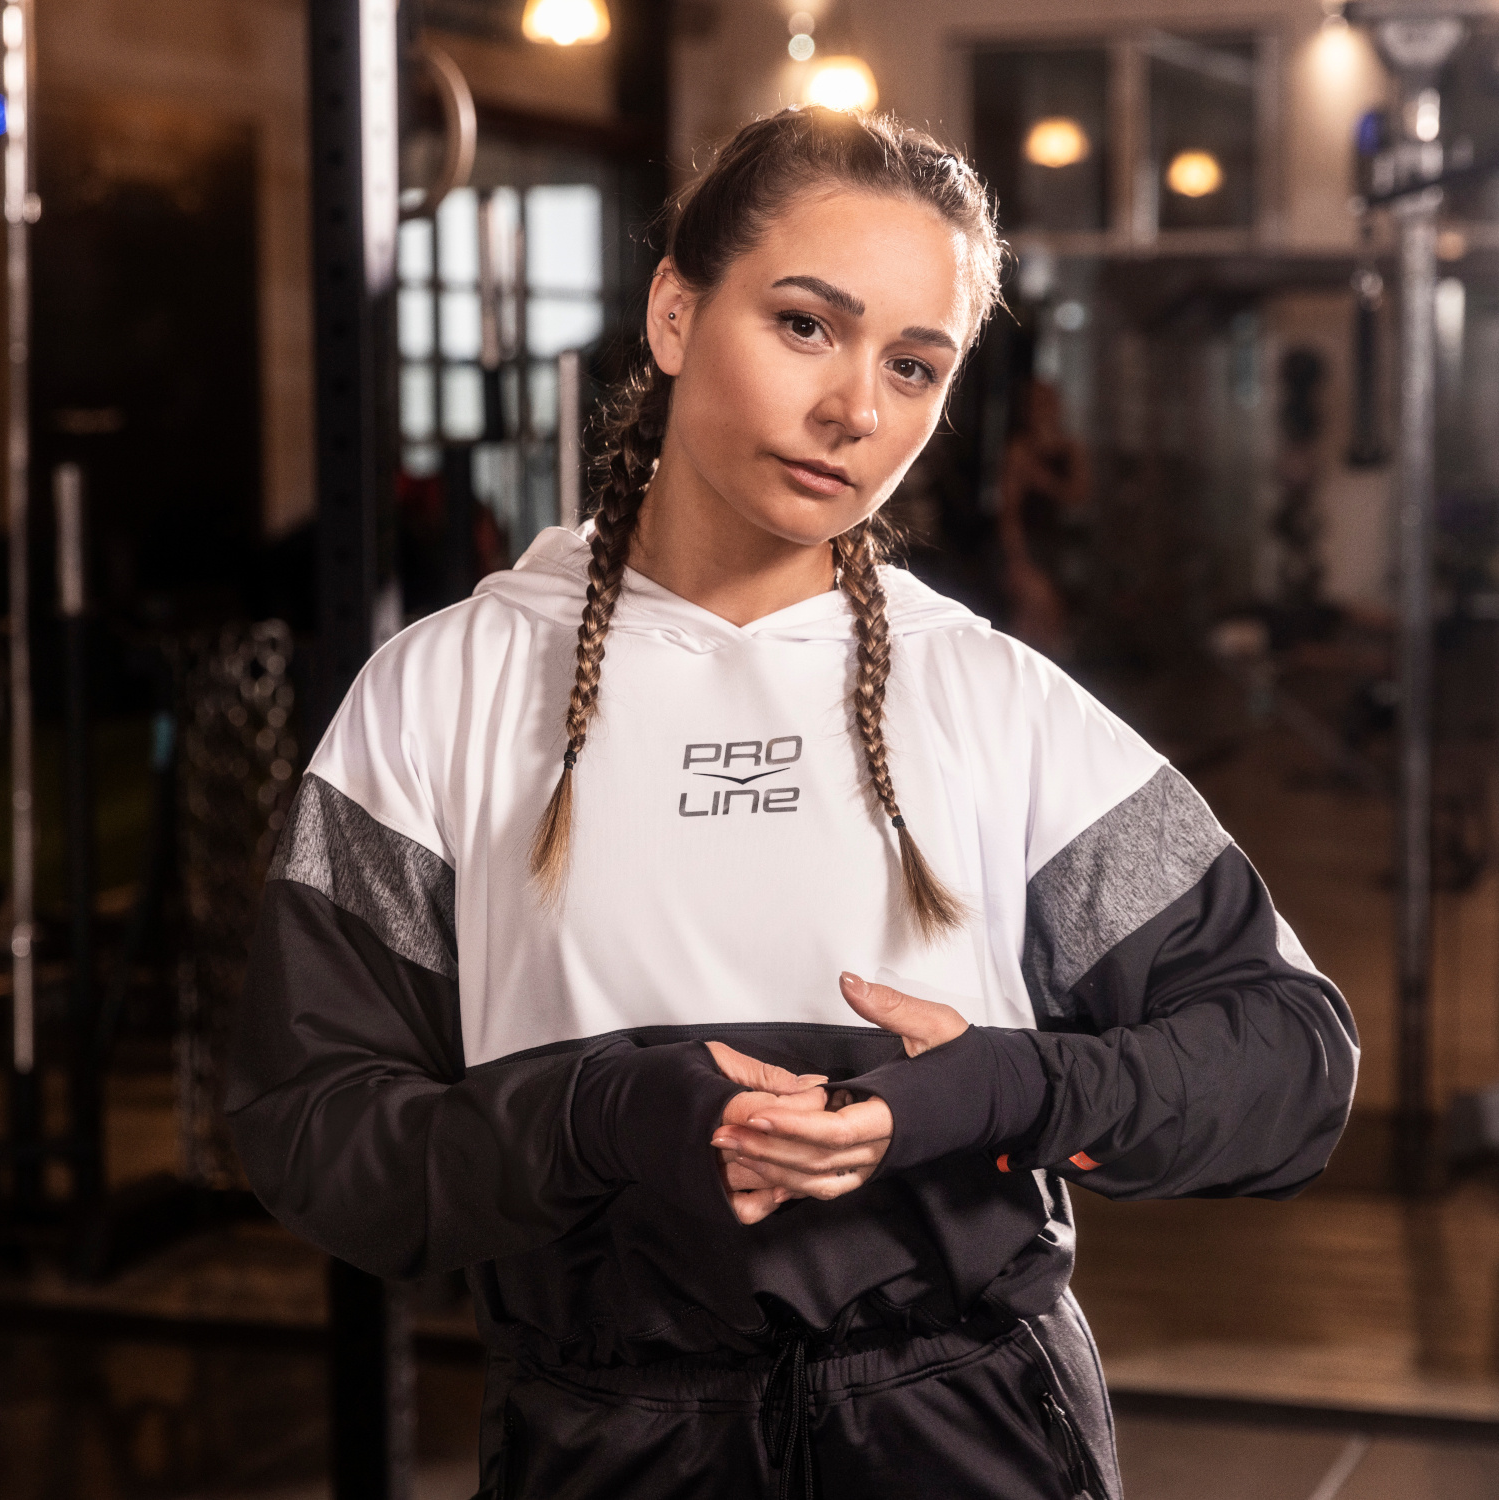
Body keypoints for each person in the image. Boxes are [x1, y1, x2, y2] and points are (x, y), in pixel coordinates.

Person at [228, 108, 1357, 1500]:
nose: (856, 412)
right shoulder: (438, 693)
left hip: (971, 1437)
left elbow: (1290, 1064)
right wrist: (600, 1123)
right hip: (610, 1441)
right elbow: (308, 1124)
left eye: (914, 364)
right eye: (807, 325)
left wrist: (1008, 1089)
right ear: (673, 311)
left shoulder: (994, 701)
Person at [999, 376, 1091, 657]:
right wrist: (1016, 559)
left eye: (1047, 401)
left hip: (1059, 545)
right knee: (1029, 617)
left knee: (1053, 621)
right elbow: (1009, 512)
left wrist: (1044, 481)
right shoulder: (1020, 449)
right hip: (1029, 543)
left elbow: (1080, 494)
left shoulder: (1069, 448)